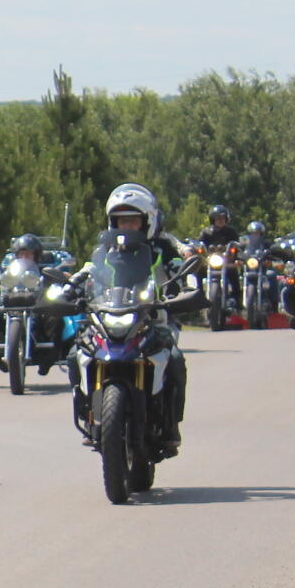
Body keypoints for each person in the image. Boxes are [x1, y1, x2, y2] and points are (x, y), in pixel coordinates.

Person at [90, 183, 203, 453]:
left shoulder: (162, 248)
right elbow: (89, 272)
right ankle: (91, 416)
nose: (127, 226)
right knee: (77, 355)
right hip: (110, 317)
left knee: (174, 360)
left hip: (154, 320)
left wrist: (186, 284)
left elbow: (180, 268)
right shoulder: (104, 252)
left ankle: (171, 425)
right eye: (122, 221)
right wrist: (71, 285)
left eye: (133, 220)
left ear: (147, 222)